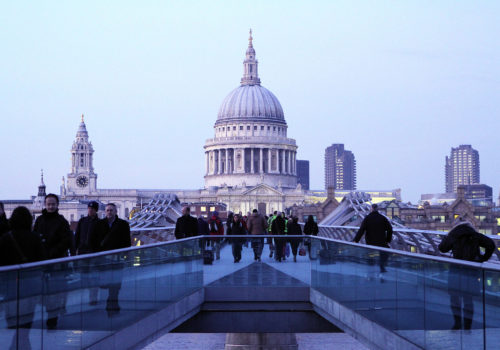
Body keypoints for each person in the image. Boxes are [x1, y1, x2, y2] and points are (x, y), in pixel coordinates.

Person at [438, 218, 495, 330]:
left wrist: (447, 237)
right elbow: (491, 245)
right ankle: (468, 325)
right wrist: (483, 259)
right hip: (471, 270)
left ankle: (457, 323)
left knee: (455, 298)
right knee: (468, 299)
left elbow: (442, 249)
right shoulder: (475, 235)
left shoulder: (453, 235)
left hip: (456, 270)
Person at [0, 207, 44, 348]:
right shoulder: (35, 238)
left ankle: (19, 344)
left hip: (11, 284)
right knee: (26, 317)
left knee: (13, 317)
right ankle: (22, 343)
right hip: (30, 284)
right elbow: (42, 261)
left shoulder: (5, 238)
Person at [33, 193, 72, 329]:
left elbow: (66, 240)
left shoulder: (62, 221)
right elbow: (35, 239)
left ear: (57, 205)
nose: (50, 206)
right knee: (44, 292)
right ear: (45, 204)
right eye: (48, 204)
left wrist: (52, 252)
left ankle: (52, 317)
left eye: (53, 204)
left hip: (56, 262)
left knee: (54, 292)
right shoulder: (39, 221)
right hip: (42, 263)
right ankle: (51, 313)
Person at [91, 203, 131, 315]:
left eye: (111, 210)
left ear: (116, 211)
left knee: (116, 283)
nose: (109, 212)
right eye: (107, 210)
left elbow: (127, 242)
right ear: (105, 212)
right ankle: (110, 301)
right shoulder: (98, 224)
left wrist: (126, 254)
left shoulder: (123, 225)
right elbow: (92, 241)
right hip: (103, 259)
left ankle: (112, 303)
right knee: (107, 282)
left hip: (117, 259)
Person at [353, 204, 393, 273]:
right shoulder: (383, 218)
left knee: (370, 254)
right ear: (378, 209)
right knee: (384, 252)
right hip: (381, 242)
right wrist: (388, 240)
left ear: (371, 209)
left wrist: (356, 240)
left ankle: (370, 269)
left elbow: (361, 230)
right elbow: (390, 229)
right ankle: (382, 267)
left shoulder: (367, 218)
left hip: (370, 242)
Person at [75, 201, 100, 305]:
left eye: (93, 209)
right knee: (83, 276)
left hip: (94, 253)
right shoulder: (82, 221)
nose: (90, 210)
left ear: (96, 210)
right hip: (82, 253)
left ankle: (92, 298)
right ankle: (85, 297)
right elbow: (77, 236)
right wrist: (75, 250)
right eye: (89, 208)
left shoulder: (99, 223)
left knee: (93, 277)